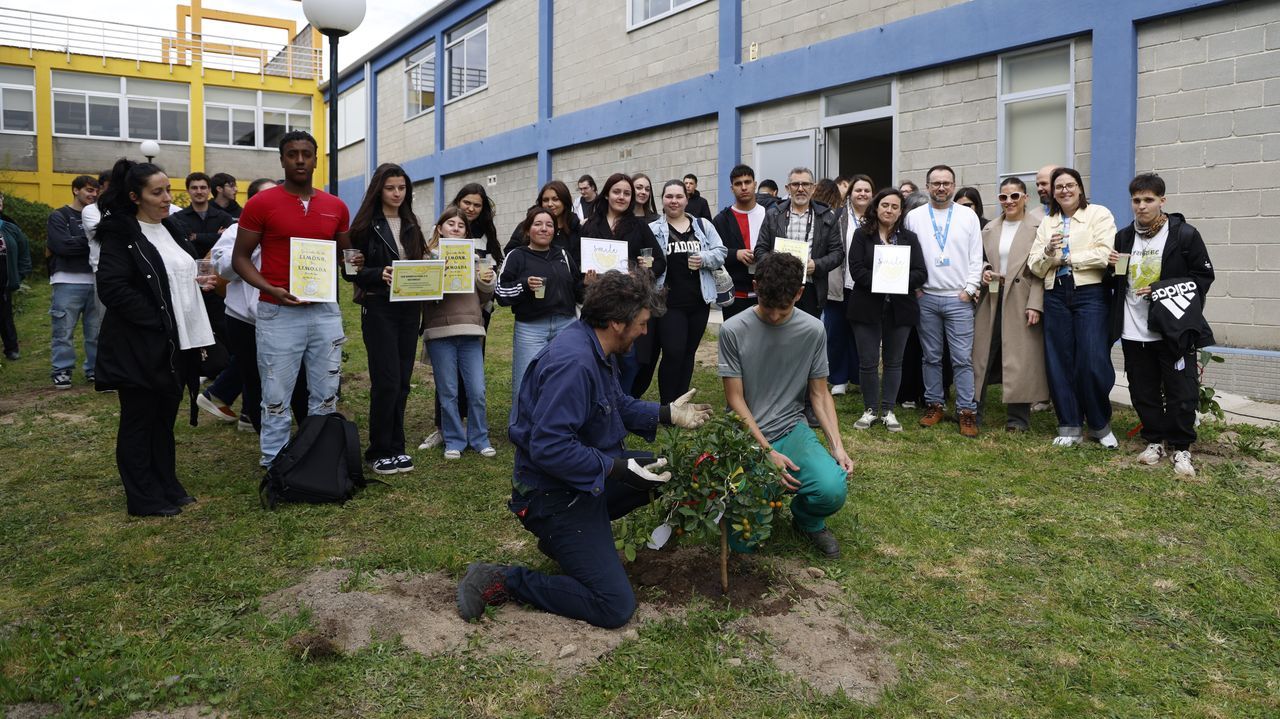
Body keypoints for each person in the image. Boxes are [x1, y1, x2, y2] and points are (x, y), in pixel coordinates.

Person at [456, 270, 711, 627]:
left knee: (666, 471)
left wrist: (666, 413)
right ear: (617, 323)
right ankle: (505, 578)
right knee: (614, 606)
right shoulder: (573, 364)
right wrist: (615, 468)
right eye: (641, 323)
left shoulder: (594, 345)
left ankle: (568, 545)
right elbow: (550, 446)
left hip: (579, 479)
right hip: (554, 496)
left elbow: (616, 403)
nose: (645, 332)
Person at [94, 158, 216, 517]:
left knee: (164, 417)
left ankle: (166, 483)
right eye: (157, 192)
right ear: (135, 197)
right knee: (140, 419)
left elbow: (178, 274)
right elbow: (113, 289)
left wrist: (199, 283)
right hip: (139, 344)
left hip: (176, 342)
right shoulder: (121, 234)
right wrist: (159, 319)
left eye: (168, 190)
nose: (167, 198)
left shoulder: (172, 227)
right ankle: (143, 497)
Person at [232, 130, 356, 467]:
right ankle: (275, 464)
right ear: (282, 160)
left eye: (306, 154)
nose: (300, 160)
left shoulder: (335, 206)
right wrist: (270, 288)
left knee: (326, 393)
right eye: (292, 154)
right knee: (276, 395)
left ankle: (319, 461)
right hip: (278, 310)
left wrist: (355, 262)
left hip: (324, 310)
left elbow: (347, 257)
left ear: (316, 160)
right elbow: (240, 258)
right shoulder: (260, 204)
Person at [719, 252, 852, 558]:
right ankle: (761, 497)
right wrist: (766, 452)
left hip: (791, 429)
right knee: (744, 543)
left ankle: (807, 521)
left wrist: (837, 447)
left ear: (799, 294)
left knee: (832, 488)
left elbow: (819, 394)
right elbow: (734, 399)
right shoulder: (733, 330)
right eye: (768, 307)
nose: (776, 317)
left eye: (784, 308)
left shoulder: (813, 330)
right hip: (745, 436)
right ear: (756, 287)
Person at [1108, 173, 1214, 476]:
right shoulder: (1124, 237)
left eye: (1148, 200)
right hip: (1133, 328)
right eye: (1136, 200)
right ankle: (1154, 441)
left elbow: (1203, 277)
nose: (1141, 206)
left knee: (1182, 391)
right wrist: (1111, 267)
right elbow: (1119, 281)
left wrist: (1161, 289)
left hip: (1172, 328)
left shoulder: (1184, 235)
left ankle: (1181, 447)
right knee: (1142, 390)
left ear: (1162, 201)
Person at [210, 179, 310, 434]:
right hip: (246, 320)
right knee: (254, 379)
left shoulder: (296, 228)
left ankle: (308, 434)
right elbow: (223, 268)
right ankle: (267, 435)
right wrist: (253, 243)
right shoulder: (236, 231)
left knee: (300, 378)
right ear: (253, 203)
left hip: (290, 316)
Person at [1028, 167, 1118, 448]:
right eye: (1059, 187)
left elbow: (1105, 254)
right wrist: (1048, 253)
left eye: (1070, 185)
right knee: (1060, 360)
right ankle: (1069, 426)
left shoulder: (1098, 214)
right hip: (1055, 293)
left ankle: (1100, 425)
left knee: (1092, 360)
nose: (1064, 190)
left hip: (1090, 293)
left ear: (1079, 188)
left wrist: (1064, 258)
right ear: (1053, 193)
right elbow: (1034, 265)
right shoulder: (1048, 222)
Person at [348, 163, 427, 474]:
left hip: (409, 307)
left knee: (403, 380)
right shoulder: (364, 226)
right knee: (387, 381)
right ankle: (378, 449)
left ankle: (397, 447)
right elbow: (350, 271)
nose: (397, 193)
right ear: (378, 190)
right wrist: (376, 273)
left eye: (402, 188)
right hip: (379, 307)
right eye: (391, 188)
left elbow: (419, 263)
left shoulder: (411, 223)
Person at [903, 164, 983, 437]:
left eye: (946, 183)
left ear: (953, 185)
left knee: (962, 359)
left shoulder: (967, 216)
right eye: (936, 183)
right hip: (926, 297)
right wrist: (916, 288)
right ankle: (934, 404)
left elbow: (976, 256)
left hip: (959, 298)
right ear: (927, 186)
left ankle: (966, 411)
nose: (941, 188)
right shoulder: (914, 217)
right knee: (931, 357)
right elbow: (908, 254)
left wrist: (970, 289)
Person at [845, 188, 926, 432]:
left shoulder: (910, 238)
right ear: (876, 207)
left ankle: (889, 410)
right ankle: (870, 409)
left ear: (901, 212)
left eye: (894, 206)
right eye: (885, 205)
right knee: (868, 361)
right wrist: (883, 280)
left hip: (900, 308)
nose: (889, 210)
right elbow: (856, 270)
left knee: (894, 361)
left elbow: (921, 273)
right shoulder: (862, 235)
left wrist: (898, 280)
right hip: (866, 307)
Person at [972, 177, 1049, 432]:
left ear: (1025, 198)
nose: (1009, 201)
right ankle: (973, 412)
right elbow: (979, 258)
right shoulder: (989, 228)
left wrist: (1035, 303)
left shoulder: (1039, 227)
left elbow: (1042, 270)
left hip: (1022, 296)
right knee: (982, 353)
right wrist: (985, 270)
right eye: (1003, 197)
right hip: (993, 295)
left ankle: (1018, 419)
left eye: (1014, 196)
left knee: (1021, 357)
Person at [422, 206, 497, 460]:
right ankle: (453, 439)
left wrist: (486, 281)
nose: (455, 228)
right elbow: (421, 296)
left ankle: (480, 438)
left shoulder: (475, 258)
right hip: (439, 331)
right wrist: (435, 276)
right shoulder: (426, 257)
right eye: (450, 224)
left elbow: (484, 298)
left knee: (477, 390)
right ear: (440, 228)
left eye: (461, 225)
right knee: (448, 392)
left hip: (471, 330)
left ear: (466, 232)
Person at [580, 173, 665, 394]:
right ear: (606, 194)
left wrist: (643, 272)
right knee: (596, 358)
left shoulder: (638, 226)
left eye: (627, 193)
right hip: (599, 305)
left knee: (629, 362)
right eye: (617, 192)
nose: (622, 197)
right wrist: (586, 282)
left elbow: (660, 262)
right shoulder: (589, 226)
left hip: (629, 304)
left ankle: (622, 403)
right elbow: (576, 263)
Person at [497, 206, 585, 420]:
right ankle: (520, 427)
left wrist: (587, 284)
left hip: (566, 325)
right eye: (538, 224)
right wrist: (524, 285)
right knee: (525, 381)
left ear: (555, 230)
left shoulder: (562, 254)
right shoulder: (517, 256)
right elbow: (500, 293)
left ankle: (559, 425)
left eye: (549, 225)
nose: (544, 229)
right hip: (531, 329)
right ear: (527, 229)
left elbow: (576, 291)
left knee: (564, 379)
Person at [645, 179, 727, 403]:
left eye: (679, 196)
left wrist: (704, 258)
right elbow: (646, 258)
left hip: (699, 301)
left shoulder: (702, 226)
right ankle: (668, 406)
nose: (674, 201)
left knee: (689, 353)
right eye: (669, 196)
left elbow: (721, 251)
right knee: (673, 352)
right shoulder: (653, 229)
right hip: (668, 303)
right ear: (662, 200)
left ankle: (680, 402)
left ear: (686, 199)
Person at [753, 167, 844, 319]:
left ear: (813, 188)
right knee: (779, 329)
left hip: (812, 288)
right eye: (795, 184)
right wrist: (776, 267)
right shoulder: (773, 214)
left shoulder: (827, 216)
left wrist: (817, 265)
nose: (800, 189)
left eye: (805, 184)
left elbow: (837, 253)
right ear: (787, 188)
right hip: (778, 285)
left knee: (808, 330)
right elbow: (760, 249)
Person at [47, 174, 101, 389]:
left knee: (95, 332)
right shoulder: (59, 216)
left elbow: (106, 243)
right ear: (75, 190)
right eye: (89, 190)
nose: (93, 194)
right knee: (63, 330)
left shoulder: (98, 216)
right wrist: (91, 240)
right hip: (66, 280)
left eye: (96, 191)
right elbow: (62, 246)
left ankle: (95, 369)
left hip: (96, 279)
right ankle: (62, 370)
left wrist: (78, 241)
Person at [825, 174, 873, 396]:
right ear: (849, 194)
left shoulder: (876, 218)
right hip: (838, 283)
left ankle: (860, 376)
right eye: (858, 190)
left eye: (866, 190)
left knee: (861, 334)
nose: (862, 194)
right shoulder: (837, 216)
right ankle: (838, 378)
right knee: (836, 332)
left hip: (866, 285)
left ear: (872, 194)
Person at [712, 164, 768, 321]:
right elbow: (713, 253)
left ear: (755, 184)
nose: (743, 187)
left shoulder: (770, 214)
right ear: (732, 188)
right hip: (735, 295)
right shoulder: (721, 220)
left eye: (747, 182)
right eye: (738, 184)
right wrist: (735, 254)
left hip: (766, 292)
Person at [503, 180, 580, 257]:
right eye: (545, 200)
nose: (550, 204)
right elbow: (510, 252)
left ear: (565, 201)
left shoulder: (575, 228)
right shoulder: (528, 225)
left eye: (555, 199)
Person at [0, 192, 33, 361]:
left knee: (5, 317)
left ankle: (11, 349)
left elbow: (24, 253)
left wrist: (18, 276)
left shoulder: (10, 228)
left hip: (4, 281)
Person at [174, 173, 233, 256]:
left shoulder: (224, 218)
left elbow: (228, 244)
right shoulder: (178, 218)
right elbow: (182, 244)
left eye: (203, 188)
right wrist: (216, 236)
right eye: (194, 188)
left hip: (215, 264)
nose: (199, 191)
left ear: (209, 190)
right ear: (188, 190)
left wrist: (196, 237)